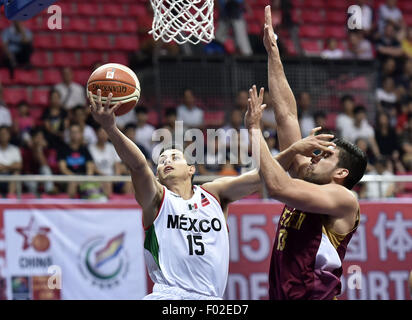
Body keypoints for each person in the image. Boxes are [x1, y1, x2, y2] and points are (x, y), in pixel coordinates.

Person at [88, 88, 333, 300]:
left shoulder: (214, 193)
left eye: (174, 157)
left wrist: (294, 149)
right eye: (162, 161)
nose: (167, 161)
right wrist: (111, 128)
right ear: (159, 175)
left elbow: (261, 176)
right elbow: (139, 165)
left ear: (191, 169)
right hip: (169, 294)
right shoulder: (156, 199)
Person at [257, 6, 367, 300]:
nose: (314, 156)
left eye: (325, 156)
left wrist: (255, 132)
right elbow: (287, 117)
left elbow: (277, 186)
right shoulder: (307, 179)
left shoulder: (342, 198)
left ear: (341, 173)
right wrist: (273, 52)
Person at [57, 123, 95, 198]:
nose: (74, 134)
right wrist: (76, 178)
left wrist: (87, 178)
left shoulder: (84, 149)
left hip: (83, 177)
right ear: (69, 134)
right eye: (72, 132)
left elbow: (90, 166)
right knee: (73, 183)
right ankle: (70, 207)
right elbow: (63, 169)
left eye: (77, 132)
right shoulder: (63, 149)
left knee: (101, 182)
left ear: (81, 134)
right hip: (68, 178)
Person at [0, 126, 22, 196]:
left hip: (10, 175)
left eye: (5, 134)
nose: (3, 136)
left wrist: (4, 166)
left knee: (16, 173)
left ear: (9, 135)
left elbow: (19, 166)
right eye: (2, 134)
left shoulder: (15, 149)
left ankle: (11, 197)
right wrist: (11, 165)